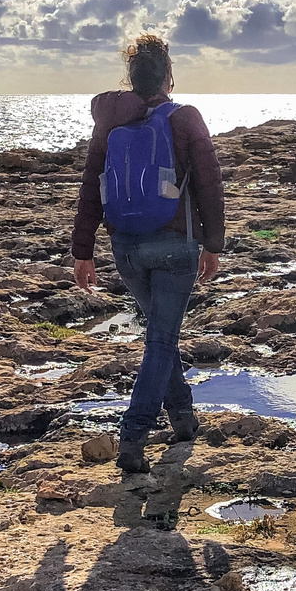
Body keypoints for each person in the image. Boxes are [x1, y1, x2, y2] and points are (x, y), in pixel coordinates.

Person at [72, 34, 226, 474]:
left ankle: (183, 420)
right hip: (175, 246)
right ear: (169, 77)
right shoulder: (185, 118)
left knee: (163, 336)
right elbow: (210, 185)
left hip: (125, 248)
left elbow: (91, 186)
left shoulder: (111, 123)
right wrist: (212, 245)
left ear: (131, 77)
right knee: (162, 339)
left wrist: (83, 251)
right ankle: (133, 434)